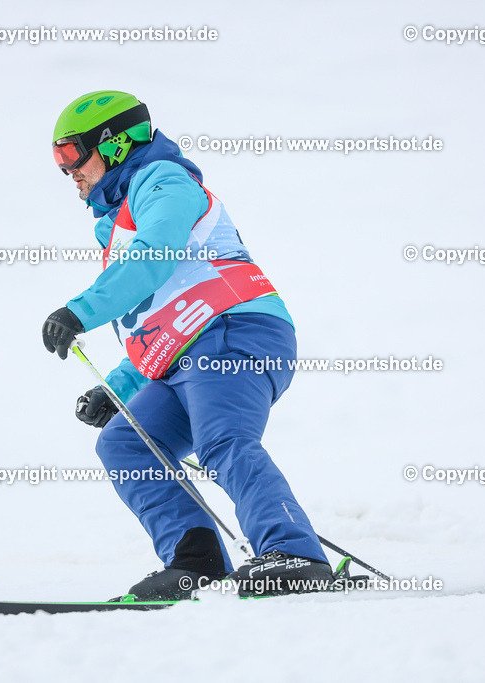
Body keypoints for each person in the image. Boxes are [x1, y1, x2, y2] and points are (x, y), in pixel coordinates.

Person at [42, 90, 333, 600]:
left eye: (72, 154)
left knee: (222, 440)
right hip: (183, 354)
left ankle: (297, 555)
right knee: (127, 443)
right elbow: (155, 323)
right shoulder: (120, 223)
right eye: (59, 161)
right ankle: (195, 561)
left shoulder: (166, 183)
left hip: (235, 331)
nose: (69, 172)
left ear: (113, 145)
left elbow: (156, 257)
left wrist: (80, 310)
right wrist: (117, 388)